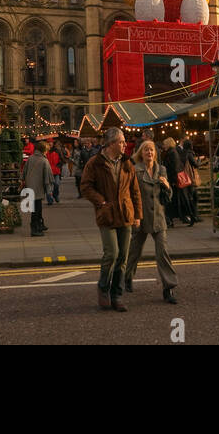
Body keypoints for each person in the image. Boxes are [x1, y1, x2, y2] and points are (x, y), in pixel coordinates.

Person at [79, 126, 141, 312]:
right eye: (121, 142)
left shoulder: (127, 163)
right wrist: (101, 202)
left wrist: (138, 215)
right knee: (112, 254)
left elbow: (135, 191)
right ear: (111, 143)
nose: (125, 145)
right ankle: (103, 288)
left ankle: (117, 295)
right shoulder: (95, 163)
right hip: (107, 214)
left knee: (123, 257)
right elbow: (85, 187)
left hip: (125, 214)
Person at [123, 139, 179, 303]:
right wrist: (133, 216)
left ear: (156, 153)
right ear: (141, 152)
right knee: (134, 251)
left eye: (152, 150)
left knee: (163, 252)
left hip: (159, 218)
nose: (149, 153)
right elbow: (130, 194)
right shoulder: (135, 170)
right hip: (141, 217)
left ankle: (168, 288)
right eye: (146, 150)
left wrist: (168, 186)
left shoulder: (162, 170)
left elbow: (168, 197)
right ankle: (127, 277)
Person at [21, 140, 53, 236]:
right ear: (44, 150)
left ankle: (39, 225)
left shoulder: (31, 158)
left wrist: (23, 180)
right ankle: (34, 228)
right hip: (38, 188)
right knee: (36, 209)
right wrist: (49, 190)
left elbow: (24, 171)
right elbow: (48, 177)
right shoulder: (44, 160)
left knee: (36, 208)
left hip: (30, 187)